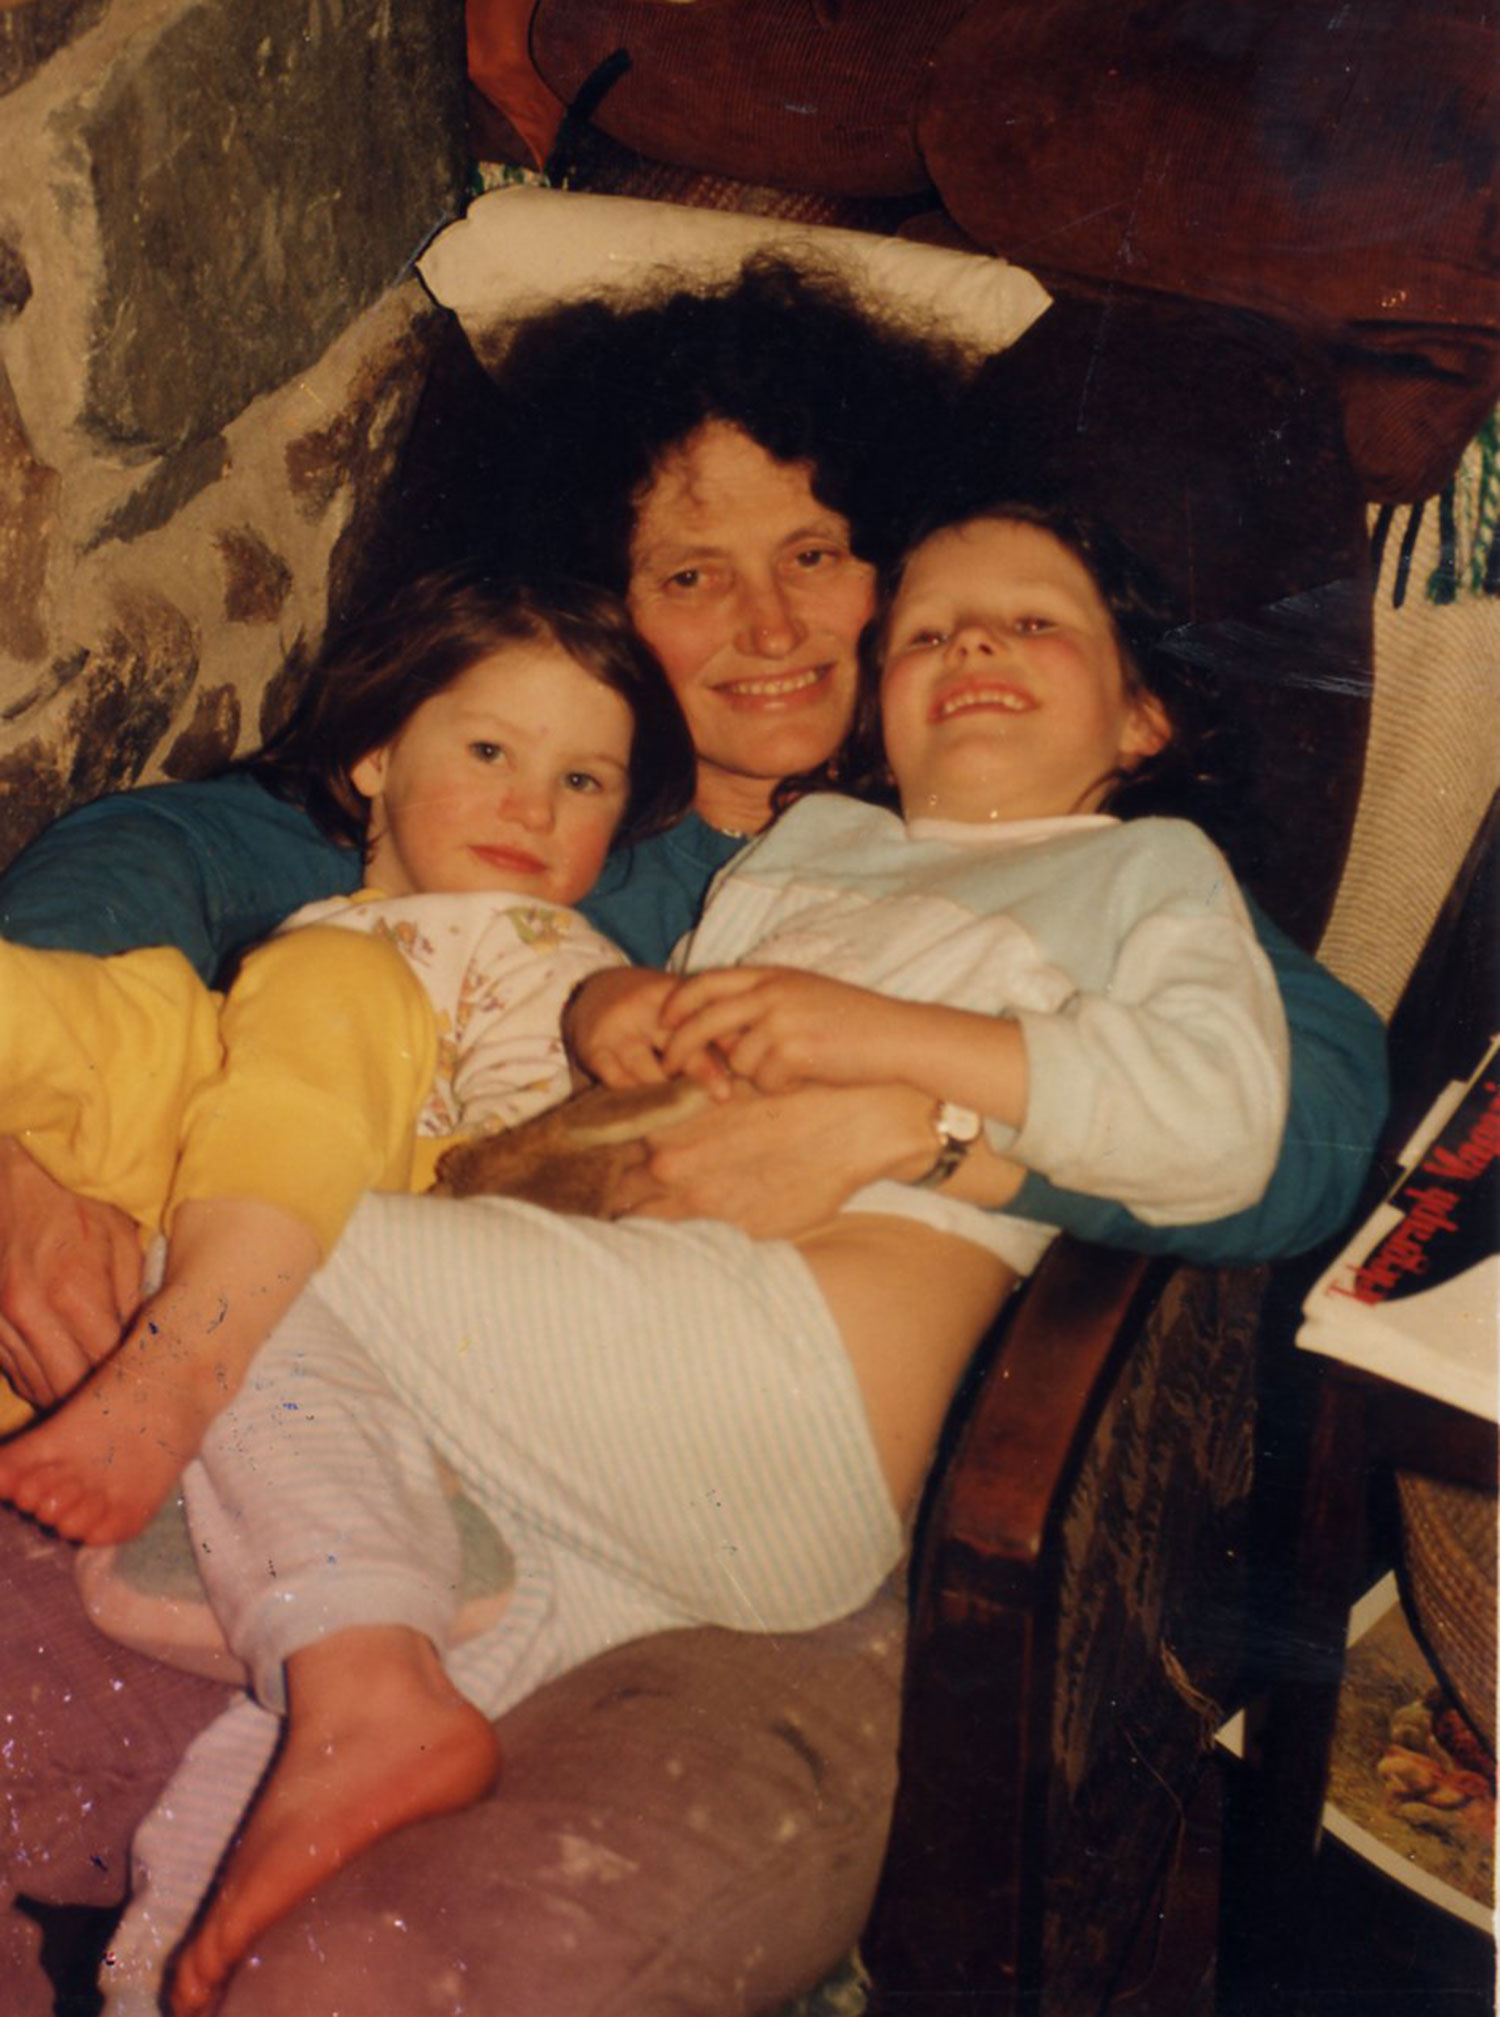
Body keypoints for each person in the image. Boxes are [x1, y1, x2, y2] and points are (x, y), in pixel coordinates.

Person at [0, 257, 1386, 2017]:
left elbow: (1319, 1117)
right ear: (607, 614)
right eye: (690, 575)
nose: (771, 624)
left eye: (817, 556)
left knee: (264, 1249)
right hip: (528, 1433)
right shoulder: (554, 814)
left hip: (783, 1445)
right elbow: (164, 850)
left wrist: (923, 1128)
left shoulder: (1019, 851)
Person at [0, 566, 694, 1545]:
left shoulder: (544, 952)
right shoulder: (327, 927)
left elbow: (528, 1175)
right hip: (201, 1193)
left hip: (362, 1251)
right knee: (129, 1018)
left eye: (580, 781)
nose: (532, 808)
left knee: (269, 995)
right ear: (375, 755)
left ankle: (187, 1361)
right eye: (490, 750)